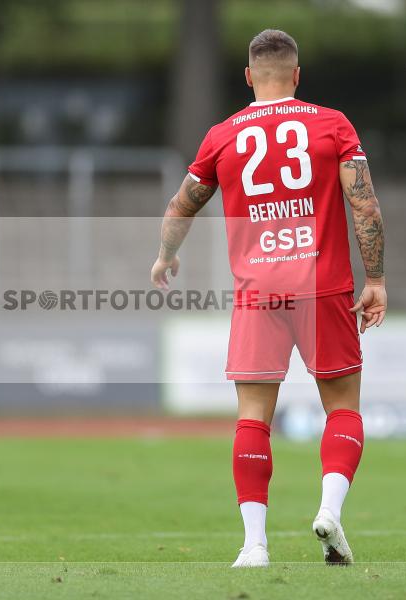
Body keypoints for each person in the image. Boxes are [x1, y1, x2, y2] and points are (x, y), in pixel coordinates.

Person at [150, 29, 386, 567]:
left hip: (259, 293)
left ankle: (254, 545)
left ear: (248, 76)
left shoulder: (223, 135)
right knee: (342, 408)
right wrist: (375, 278)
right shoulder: (332, 124)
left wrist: (166, 255)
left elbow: (182, 204)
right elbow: (366, 206)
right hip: (322, 286)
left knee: (253, 418)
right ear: (297, 75)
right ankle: (329, 511)